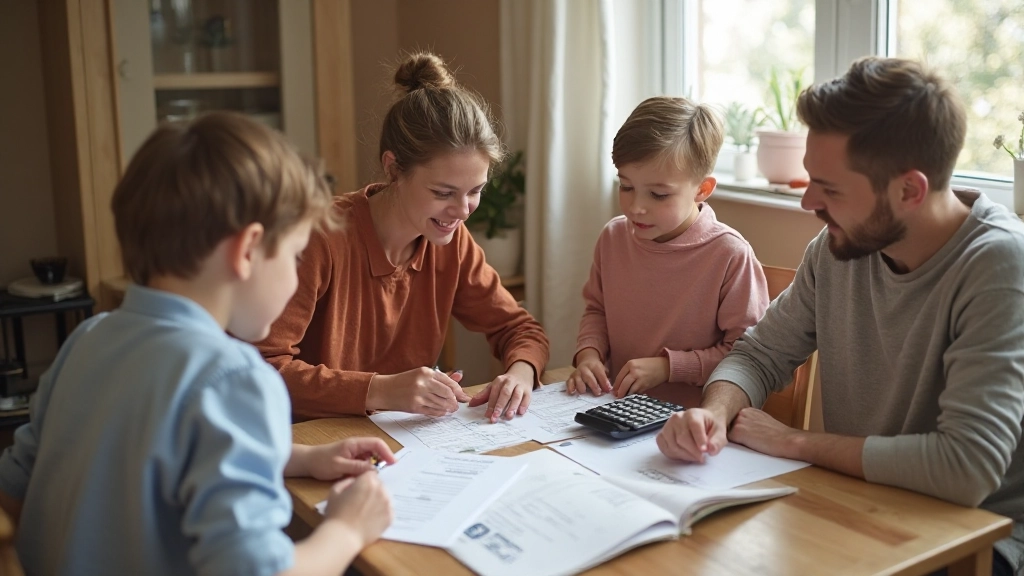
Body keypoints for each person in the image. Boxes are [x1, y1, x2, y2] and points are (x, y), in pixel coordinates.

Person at [656, 57, 1024, 575]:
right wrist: (714, 414)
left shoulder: (998, 264)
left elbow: (966, 467)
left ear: (909, 190)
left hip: (974, 539)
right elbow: (758, 356)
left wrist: (792, 442)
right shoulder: (835, 250)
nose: (809, 202)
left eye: (829, 188)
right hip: (860, 503)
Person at [0, 112, 394, 575]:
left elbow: (20, 486)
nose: (294, 277)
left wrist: (298, 457)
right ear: (247, 251)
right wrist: (347, 530)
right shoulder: (235, 378)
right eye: (294, 255)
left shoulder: (87, 339)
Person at [257, 52, 549, 423]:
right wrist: (379, 389)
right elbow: (260, 370)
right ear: (393, 168)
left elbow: (519, 328)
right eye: (443, 193)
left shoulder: (451, 241)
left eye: (475, 191)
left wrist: (520, 374)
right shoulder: (317, 238)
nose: (462, 210)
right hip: (308, 446)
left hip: (401, 446)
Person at [567, 96, 769, 398]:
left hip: (692, 426)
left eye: (658, 195)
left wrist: (669, 367)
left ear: (702, 190)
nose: (636, 207)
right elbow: (597, 311)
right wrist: (589, 355)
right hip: (615, 413)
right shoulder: (613, 238)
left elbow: (749, 358)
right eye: (626, 186)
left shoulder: (729, 254)